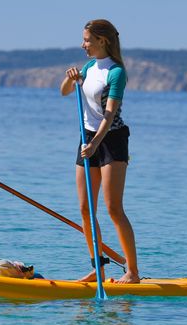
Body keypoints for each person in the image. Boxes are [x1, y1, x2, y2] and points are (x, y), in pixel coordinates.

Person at [59, 19, 140, 284]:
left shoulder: (116, 72)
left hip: (111, 140)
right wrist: (70, 80)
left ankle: (133, 272)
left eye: (87, 40)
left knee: (113, 208)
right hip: (86, 138)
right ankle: (99, 269)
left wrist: (95, 144)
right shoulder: (89, 67)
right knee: (85, 209)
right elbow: (63, 92)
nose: (83, 44)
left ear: (102, 41)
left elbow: (110, 113)